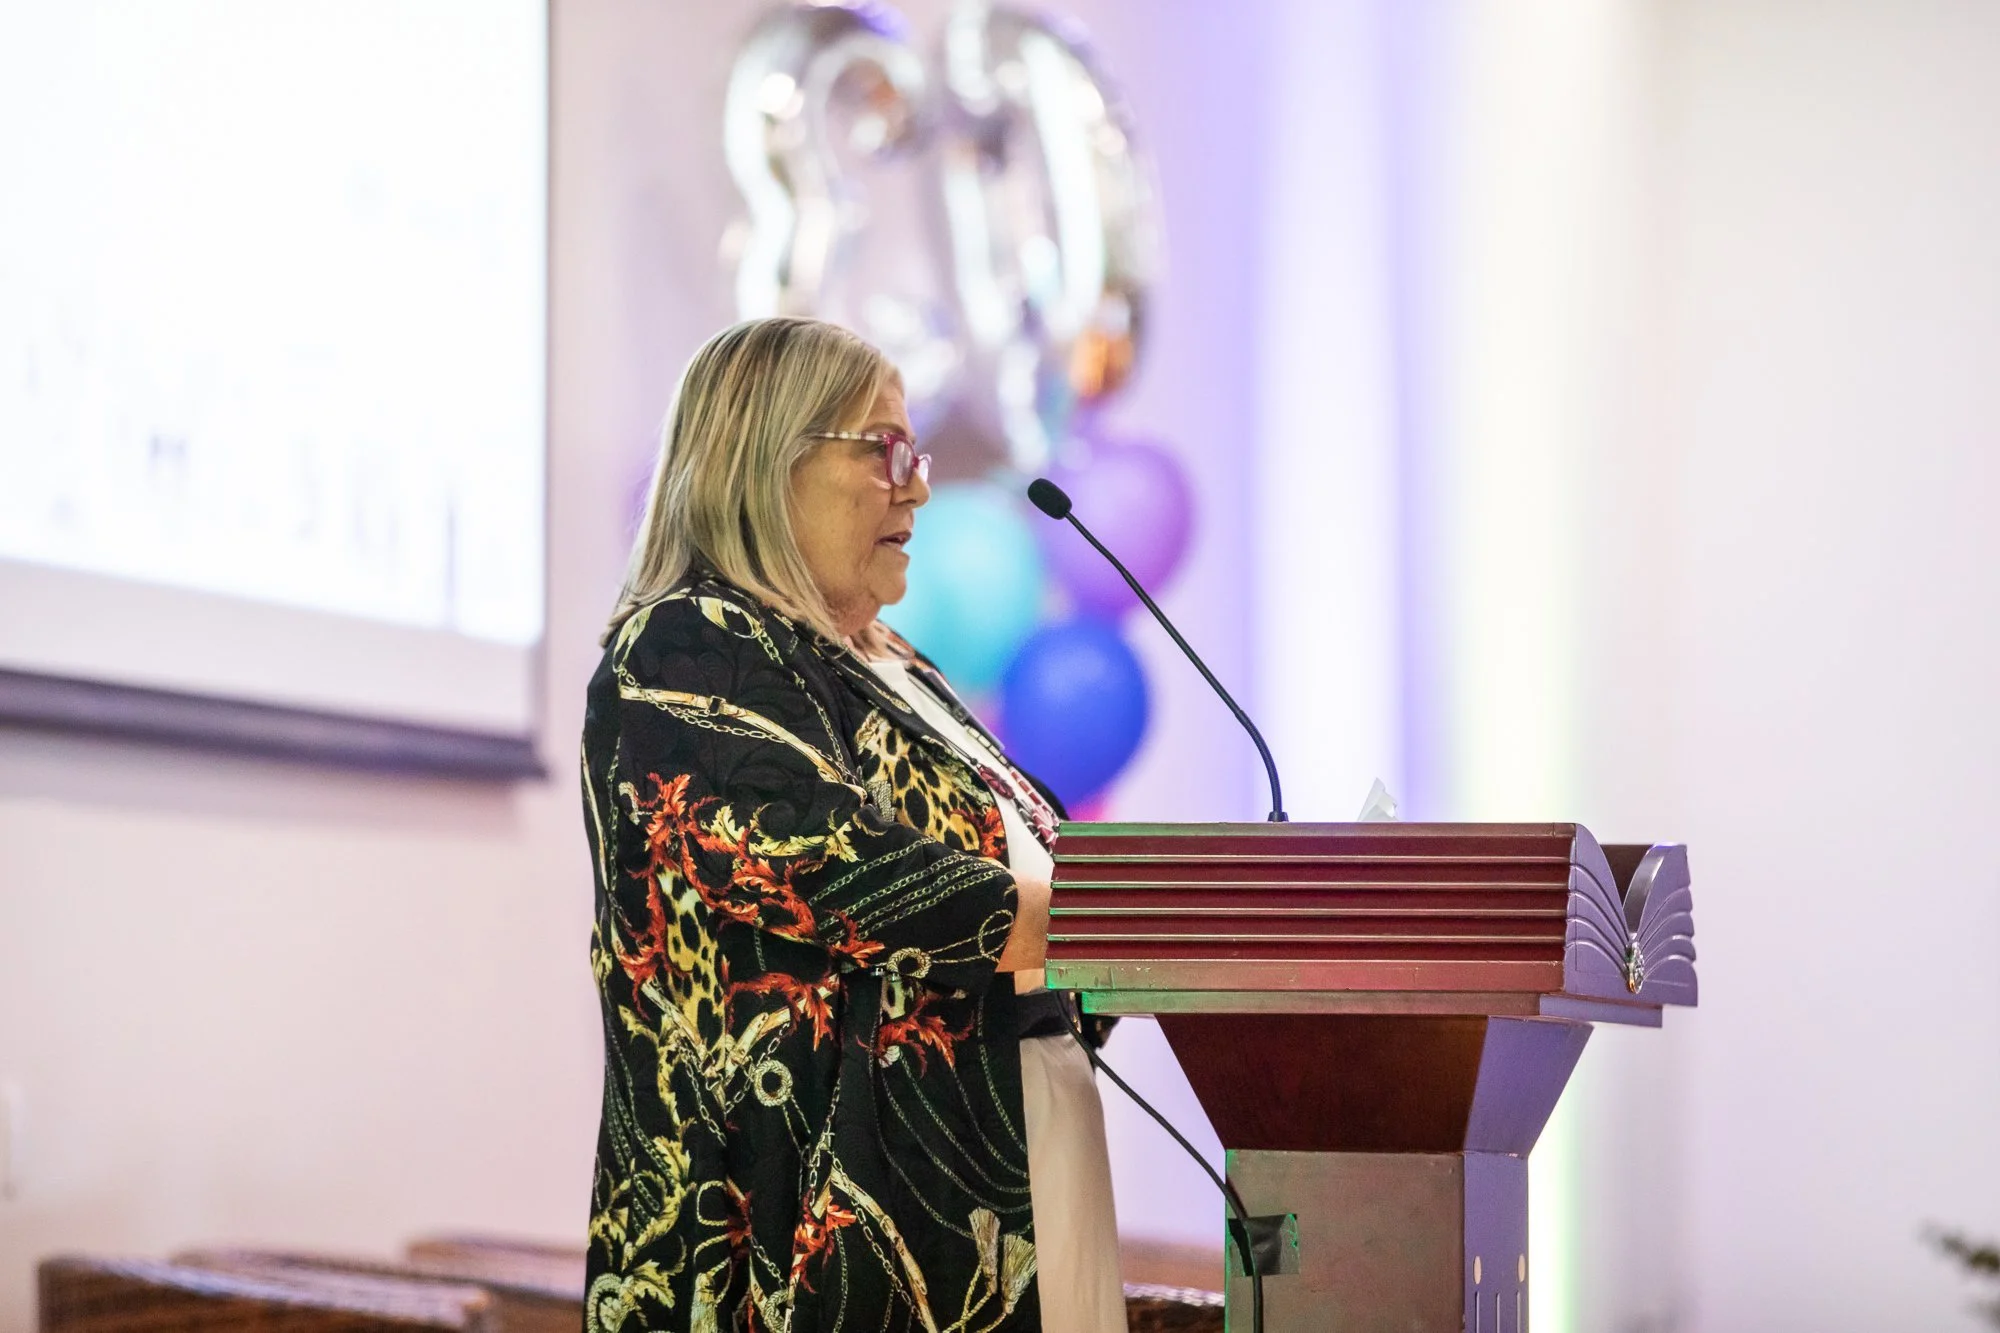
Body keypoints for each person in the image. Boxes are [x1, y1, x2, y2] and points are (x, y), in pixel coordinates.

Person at [581, 316, 1124, 1333]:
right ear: (764, 458)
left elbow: (1033, 853)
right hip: (805, 1238)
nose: (917, 488)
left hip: (1008, 1165)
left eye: (915, 455)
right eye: (884, 450)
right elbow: (837, 868)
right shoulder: (686, 648)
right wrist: (1127, 918)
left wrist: (1144, 929)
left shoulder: (895, 664)